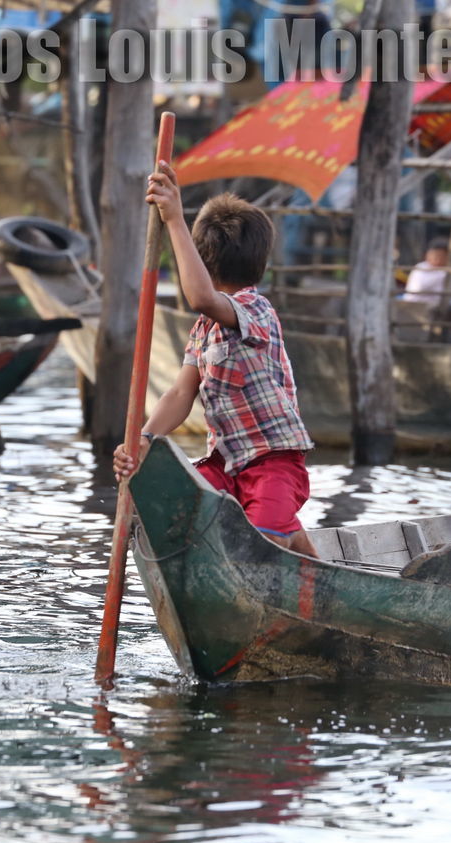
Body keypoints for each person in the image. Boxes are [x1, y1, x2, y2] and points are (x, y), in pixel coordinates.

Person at [113, 161, 318, 558]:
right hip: (226, 465)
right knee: (165, 498)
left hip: (273, 462)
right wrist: (143, 440)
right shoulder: (203, 330)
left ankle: (291, 537)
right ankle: (287, 535)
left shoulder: (255, 310)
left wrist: (175, 219)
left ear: (203, 266)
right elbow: (179, 393)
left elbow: (201, 297)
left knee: (263, 543)